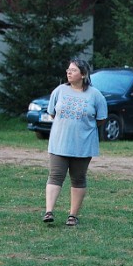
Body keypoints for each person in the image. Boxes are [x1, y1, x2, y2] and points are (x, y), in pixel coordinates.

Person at [43, 59, 108, 226]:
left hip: (83, 145)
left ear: (83, 74)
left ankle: (73, 215)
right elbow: (52, 114)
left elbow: (101, 119)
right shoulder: (59, 91)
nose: (69, 72)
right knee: (56, 175)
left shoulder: (95, 95)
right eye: (68, 70)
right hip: (59, 143)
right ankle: (49, 211)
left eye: (73, 70)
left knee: (78, 178)